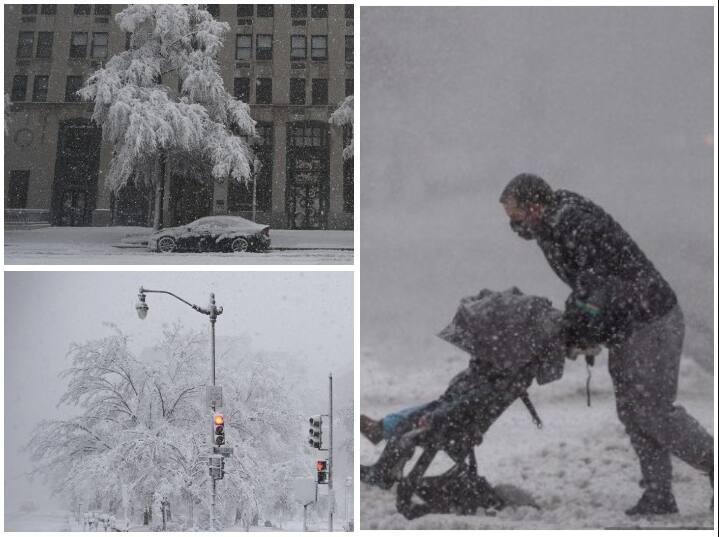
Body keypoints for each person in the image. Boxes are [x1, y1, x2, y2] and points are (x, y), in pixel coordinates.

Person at [499, 172, 713, 516]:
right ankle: (658, 495)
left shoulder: (573, 223)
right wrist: (581, 327)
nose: (514, 226)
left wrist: (577, 327)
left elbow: (595, 284)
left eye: (516, 217)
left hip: (650, 319)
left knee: (652, 410)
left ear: (534, 206)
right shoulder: (552, 225)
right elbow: (589, 287)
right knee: (632, 410)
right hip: (628, 324)